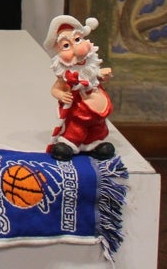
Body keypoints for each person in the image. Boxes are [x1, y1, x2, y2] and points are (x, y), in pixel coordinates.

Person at [45, 15, 115, 160]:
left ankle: (96, 144)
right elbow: (55, 89)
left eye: (77, 40)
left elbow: (94, 76)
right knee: (76, 128)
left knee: (98, 128)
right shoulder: (65, 74)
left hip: (98, 109)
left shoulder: (90, 66)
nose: (77, 49)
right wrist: (61, 95)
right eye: (66, 45)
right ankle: (69, 144)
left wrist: (103, 75)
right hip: (79, 109)